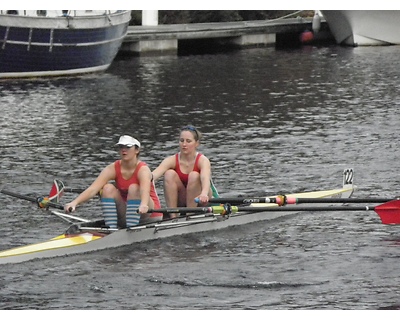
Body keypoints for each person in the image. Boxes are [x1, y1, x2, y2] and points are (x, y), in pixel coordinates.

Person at [64, 135, 162, 229]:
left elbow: (145, 191)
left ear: (137, 150)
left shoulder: (143, 170)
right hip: (128, 214)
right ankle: (111, 229)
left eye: (127, 147)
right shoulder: (113, 168)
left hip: (150, 215)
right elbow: (93, 189)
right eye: (121, 147)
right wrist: (74, 203)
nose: (124, 150)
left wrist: (144, 204)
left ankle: (131, 230)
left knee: (134, 188)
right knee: (107, 188)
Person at [152, 125, 218, 217]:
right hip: (183, 198)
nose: (184, 144)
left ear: (196, 143)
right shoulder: (171, 160)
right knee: (169, 174)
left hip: (201, 200)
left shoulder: (203, 160)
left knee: (194, 175)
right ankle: (173, 216)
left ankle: (189, 215)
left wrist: (204, 193)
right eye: (181, 140)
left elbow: (205, 178)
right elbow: (154, 175)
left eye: (188, 141)